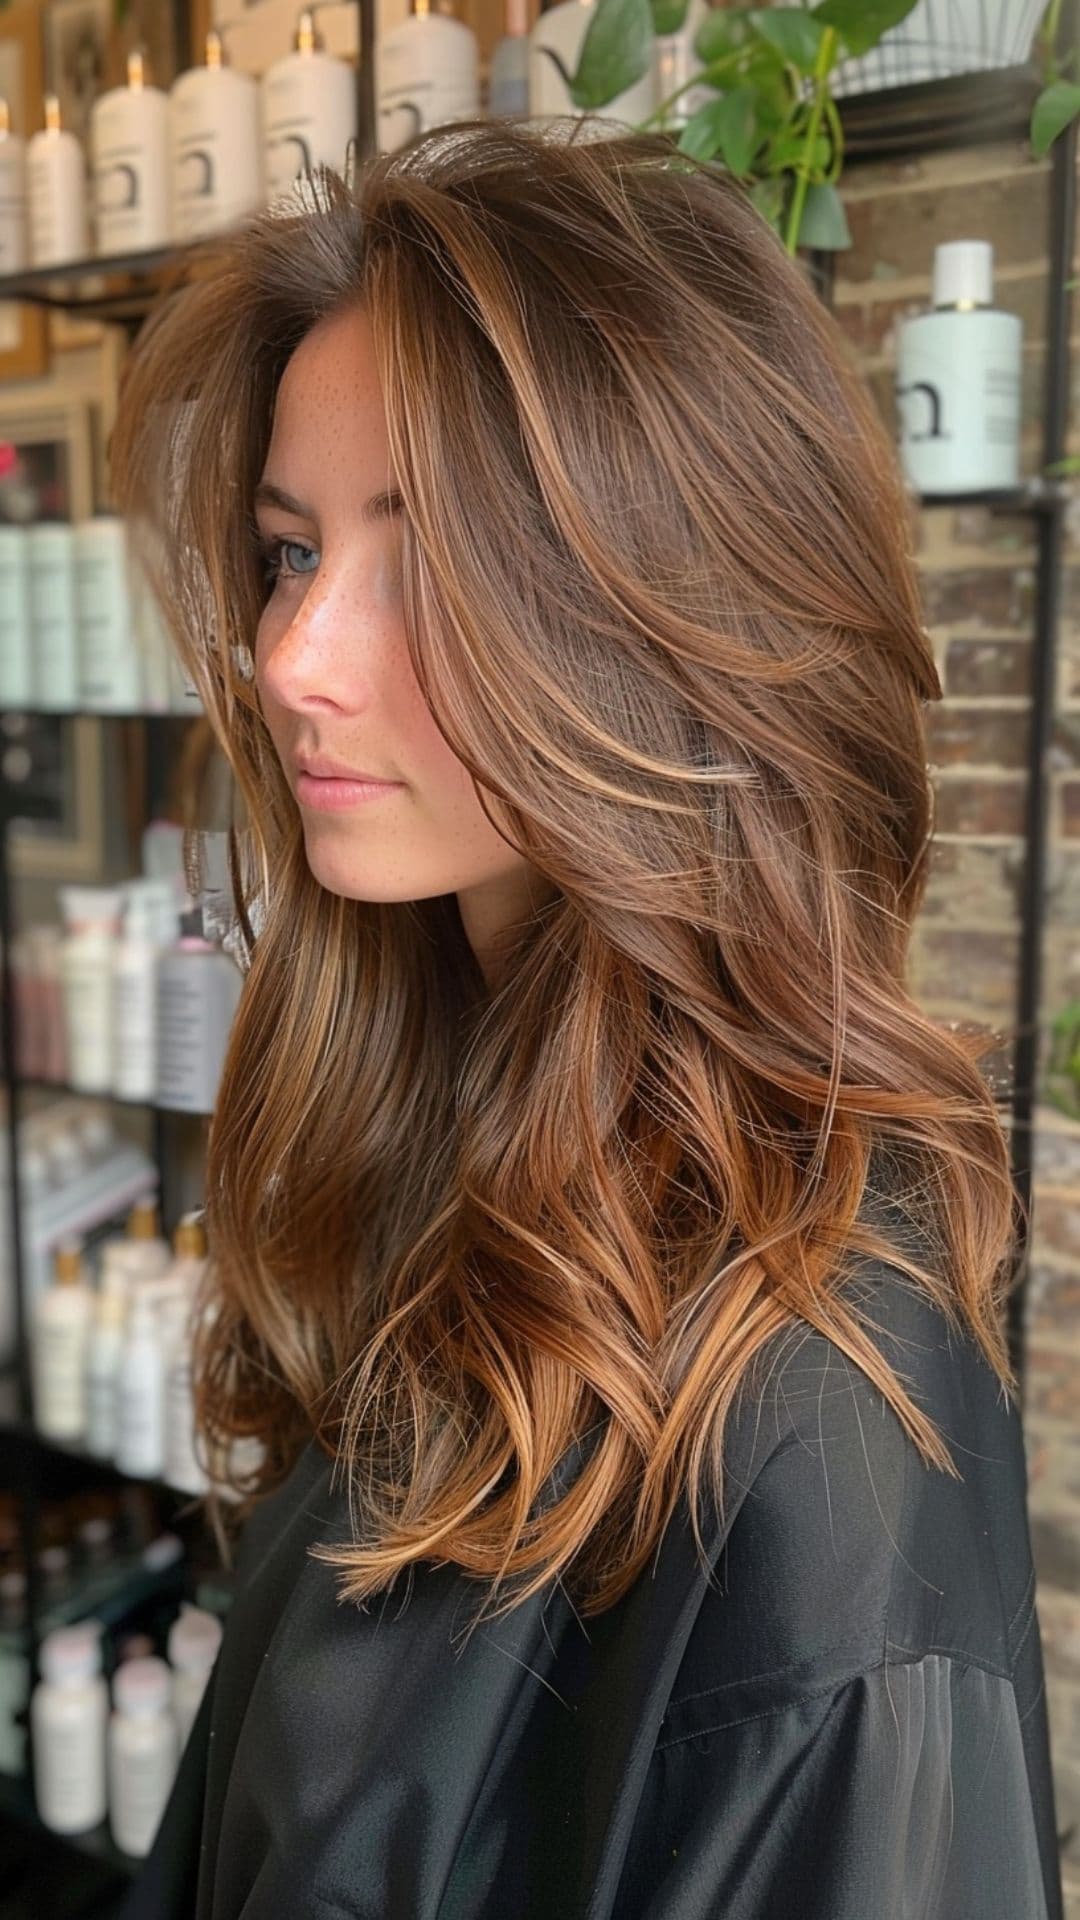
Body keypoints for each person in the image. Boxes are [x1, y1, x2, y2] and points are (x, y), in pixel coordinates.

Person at [109, 116, 1062, 1919]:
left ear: (670, 612)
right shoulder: (455, 1147)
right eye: (291, 554)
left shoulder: (813, 1425)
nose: (291, 657)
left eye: (425, 558)